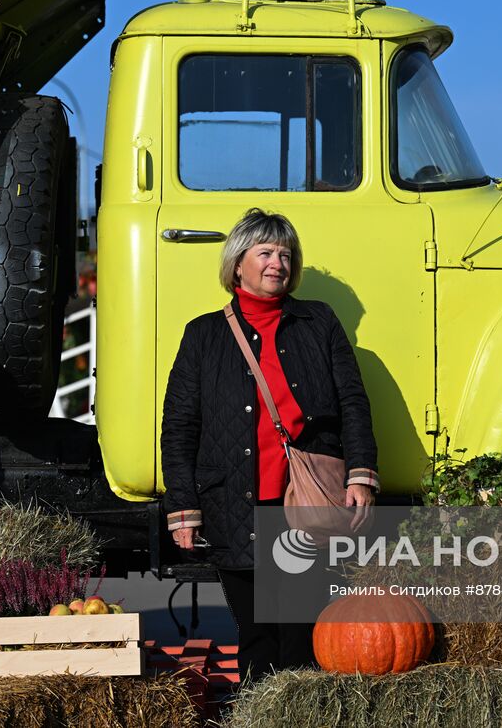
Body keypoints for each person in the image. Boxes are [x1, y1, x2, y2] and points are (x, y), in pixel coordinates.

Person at [160, 208, 379, 683]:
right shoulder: (203, 335)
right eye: (265, 252)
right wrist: (183, 509)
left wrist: (360, 473)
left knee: (300, 632)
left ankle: (297, 714)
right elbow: (179, 426)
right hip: (232, 502)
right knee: (255, 635)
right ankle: (259, 714)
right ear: (238, 263)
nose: (278, 262)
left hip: (302, 502)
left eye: (286, 253)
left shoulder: (318, 322)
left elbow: (353, 402)